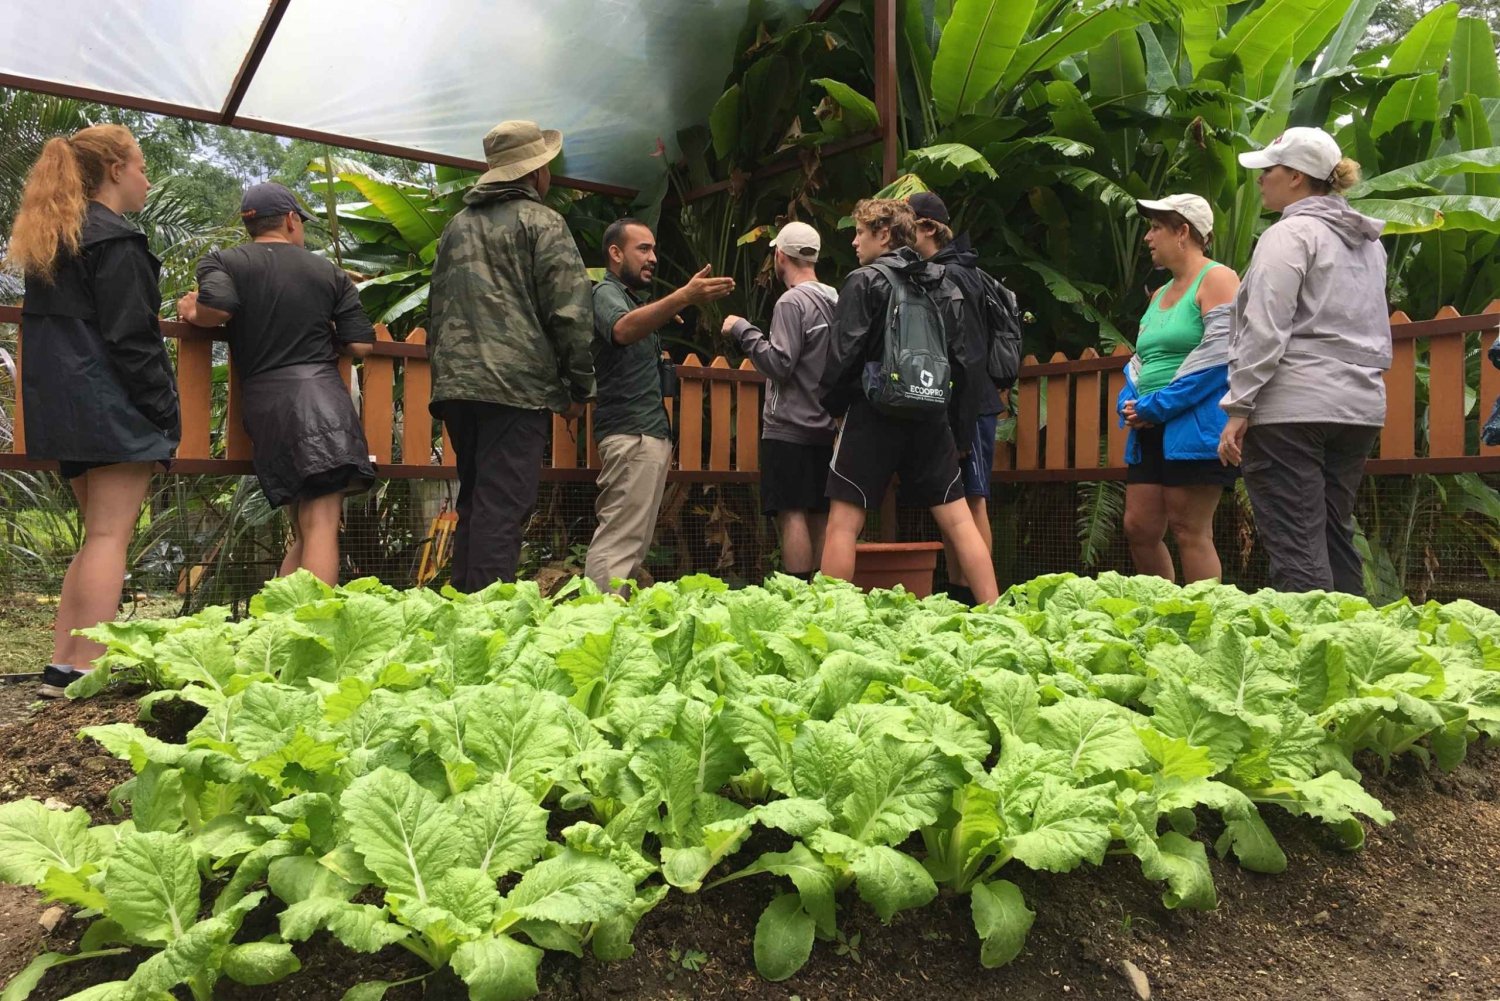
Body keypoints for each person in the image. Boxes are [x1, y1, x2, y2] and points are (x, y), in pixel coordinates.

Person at [5, 125, 179, 697]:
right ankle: (88, 669)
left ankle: (63, 664)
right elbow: (134, 341)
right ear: (114, 169)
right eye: (142, 167)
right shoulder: (116, 242)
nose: (147, 179)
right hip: (112, 406)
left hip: (64, 406)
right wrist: (162, 414)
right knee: (110, 535)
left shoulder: (54, 240)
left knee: (95, 535)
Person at [1218, 127, 1390, 595]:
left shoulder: (1288, 235)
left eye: (1268, 171)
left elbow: (1265, 327)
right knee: (1335, 533)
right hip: (1359, 406)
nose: (1260, 181)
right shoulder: (1368, 242)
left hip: (1291, 408)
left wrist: (1239, 407)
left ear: (1295, 176)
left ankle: (1312, 656)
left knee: (1296, 541)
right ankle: (1358, 651)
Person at [177, 182, 376, 585]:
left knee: (303, 528)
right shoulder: (330, 273)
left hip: (266, 401)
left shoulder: (223, 261)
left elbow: (216, 308)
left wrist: (189, 308)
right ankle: (315, 627)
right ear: (290, 221)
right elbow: (360, 345)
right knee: (320, 522)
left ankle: (280, 624)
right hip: (321, 399)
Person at [427, 120, 596, 592]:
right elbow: (570, 313)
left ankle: (462, 613)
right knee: (503, 507)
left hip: (457, 388)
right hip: (515, 389)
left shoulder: (455, 228)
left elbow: (436, 309)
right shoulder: (542, 222)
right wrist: (580, 388)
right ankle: (488, 623)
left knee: (476, 502)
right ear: (537, 172)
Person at [817, 198, 999, 604]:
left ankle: (830, 618)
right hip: (931, 413)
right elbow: (964, 361)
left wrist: (834, 409)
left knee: (844, 522)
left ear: (883, 234)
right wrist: (955, 425)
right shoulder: (942, 282)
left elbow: (844, 355)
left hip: (873, 411)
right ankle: (996, 612)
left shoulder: (864, 281)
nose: (853, 242)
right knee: (958, 519)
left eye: (860, 232)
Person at [586, 219, 734, 593]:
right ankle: (596, 623)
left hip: (647, 433)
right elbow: (621, 330)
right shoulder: (605, 292)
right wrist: (683, 296)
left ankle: (614, 623)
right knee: (619, 540)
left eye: (654, 249)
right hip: (630, 433)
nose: (652, 257)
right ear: (615, 254)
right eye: (643, 249)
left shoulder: (634, 300)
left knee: (632, 544)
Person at [1116, 193, 1240, 583]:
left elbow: (1219, 357)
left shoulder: (1218, 278)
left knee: (1190, 529)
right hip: (1150, 425)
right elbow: (1142, 360)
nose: (1148, 237)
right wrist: (1130, 402)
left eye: (1156, 228)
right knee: (1139, 527)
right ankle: (1163, 611)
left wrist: (1158, 406)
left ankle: (1206, 624)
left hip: (1194, 426)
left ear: (1183, 231)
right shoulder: (1159, 294)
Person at [721, 222, 838, 583]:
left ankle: (798, 591)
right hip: (827, 426)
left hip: (789, 427)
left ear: (780, 256)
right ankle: (823, 592)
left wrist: (743, 330)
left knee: (791, 511)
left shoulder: (792, 301)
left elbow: (780, 363)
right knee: (819, 510)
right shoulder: (837, 298)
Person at [907, 192, 1005, 605]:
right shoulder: (936, 271)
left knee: (974, 499)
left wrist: (962, 423)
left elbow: (967, 354)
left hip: (972, 404)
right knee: (954, 500)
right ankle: (958, 591)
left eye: (907, 221)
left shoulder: (958, 274)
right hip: (952, 403)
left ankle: (982, 600)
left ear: (928, 227)